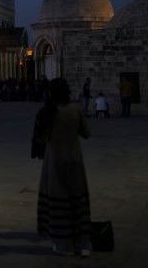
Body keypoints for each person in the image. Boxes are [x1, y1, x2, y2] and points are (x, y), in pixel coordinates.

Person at [33, 78, 92, 257]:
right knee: (77, 200)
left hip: (54, 162)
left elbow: (40, 139)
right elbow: (86, 133)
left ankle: (62, 244)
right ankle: (83, 245)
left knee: (59, 202)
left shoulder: (48, 113)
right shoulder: (76, 110)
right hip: (74, 161)